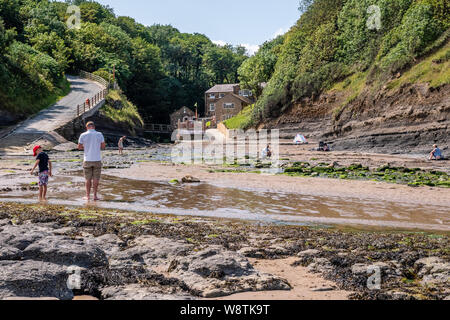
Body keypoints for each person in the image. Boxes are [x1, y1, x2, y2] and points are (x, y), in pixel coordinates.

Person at [78, 121, 106, 201]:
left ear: (87, 127)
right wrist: (96, 147)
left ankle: (87, 196)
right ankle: (95, 196)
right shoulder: (99, 134)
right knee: (96, 178)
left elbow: (79, 147)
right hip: (97, 159)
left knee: (87, 179)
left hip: (87, 159)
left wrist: (86, 147)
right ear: (94, 127)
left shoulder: (83, 135)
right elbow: (103, 146)